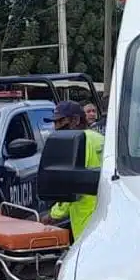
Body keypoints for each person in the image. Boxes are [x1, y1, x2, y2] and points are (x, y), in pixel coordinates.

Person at [40, 101, 105, 239]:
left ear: (75, 120)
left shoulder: (76, 143)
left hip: (86, 220)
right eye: (55, 122)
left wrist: (53, 215)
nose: (56, 127)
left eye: (61, 121)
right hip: (106, 215)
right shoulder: (99, 139)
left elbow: (69, 188)